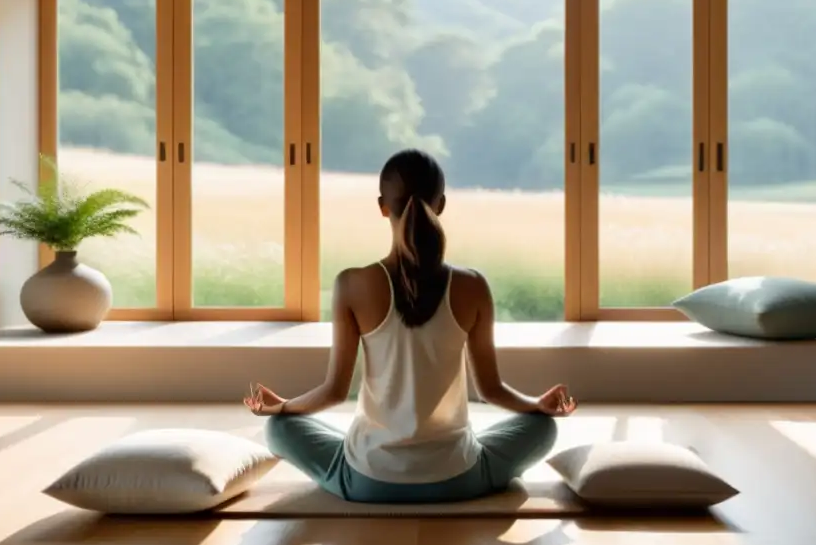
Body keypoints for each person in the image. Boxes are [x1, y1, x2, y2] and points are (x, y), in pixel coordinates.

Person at [244, 149, 577, 504]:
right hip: (457, 477)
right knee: (542, 427)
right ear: (442, 204)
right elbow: (492, 390)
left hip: (369, 479)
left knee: (279, 428)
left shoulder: (351, 284)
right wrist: (537, 404)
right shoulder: (473, 286)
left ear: (382, 206)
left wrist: (282, 407)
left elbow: (335, 392)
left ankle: (344, 462)